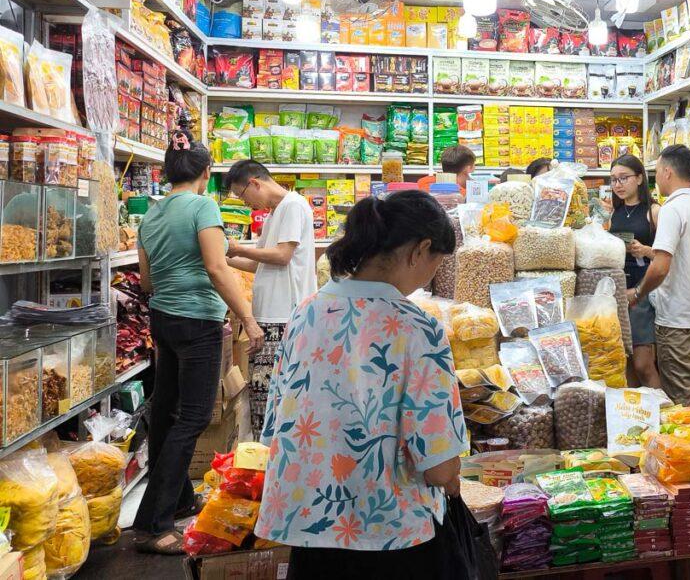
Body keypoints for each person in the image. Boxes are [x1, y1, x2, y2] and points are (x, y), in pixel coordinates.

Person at [257, 191, 468, 577]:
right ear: (419, 251)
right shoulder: (418, 328)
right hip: (392, 538)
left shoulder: (305, 313)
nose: (433, 274)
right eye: (437, 261)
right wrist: (453, 478)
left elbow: (274, 431)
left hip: (311, 530)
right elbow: (438, 467)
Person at [133, 131, 264, 554]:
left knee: (166, 412)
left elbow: (148, 280)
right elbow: (216, 266)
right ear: (206, 173)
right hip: (197, 320)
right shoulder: (203, 206)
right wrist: (247, 316)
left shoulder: (150, 215)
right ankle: (154, 525)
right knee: (192, 418)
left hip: (163, 318)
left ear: (167, 173)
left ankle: (177, 501)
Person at [222, 159, 317, 436]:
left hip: (283, 318)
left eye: (243, 195)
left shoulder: (293, 206)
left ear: (255, 183)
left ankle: (272, 468)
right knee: (263, 398)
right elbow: (258, 264)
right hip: (270, 318)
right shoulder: (276, 213)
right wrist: (221, 259)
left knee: (273, 402)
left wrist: (237, 247)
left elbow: (281, 256)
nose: (247, 203)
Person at [627, 144, 690, 406]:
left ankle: (685, 446)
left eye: (657, 171)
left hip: (677, 320)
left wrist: (637, 292)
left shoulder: (671, 209)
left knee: (681, 401)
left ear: (667, 172)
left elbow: (661, 265)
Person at [607, 154, 661, 388]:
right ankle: (635, 415)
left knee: (643, 363)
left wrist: (646, 251)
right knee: (624, 361)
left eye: (624, 178)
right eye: (613, 180)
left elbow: (667, 257)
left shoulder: (655, 211)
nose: (618, 185)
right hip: (618, 291)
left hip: (644, 291)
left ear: (639, 178)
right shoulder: (614, 213)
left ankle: (662, 414)